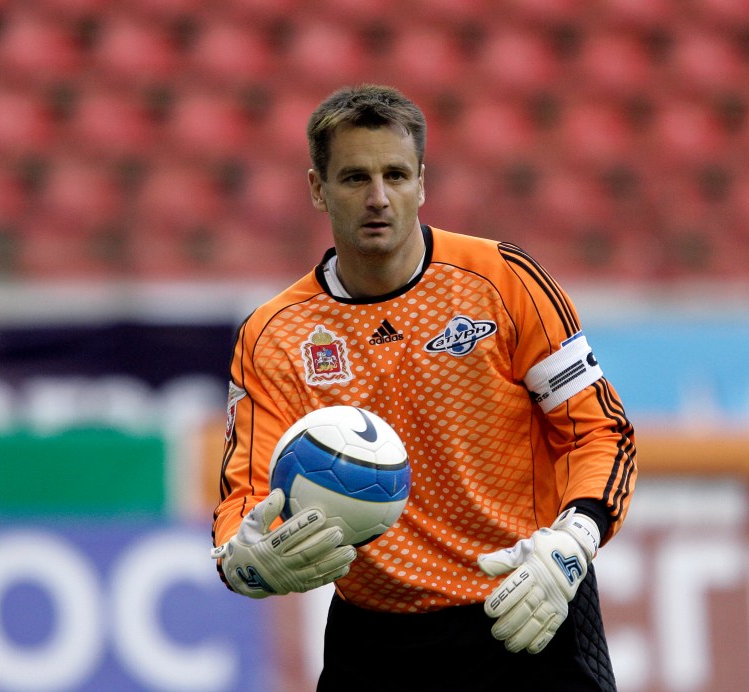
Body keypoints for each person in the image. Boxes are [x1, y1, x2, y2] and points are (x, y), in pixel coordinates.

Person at [210, 84, 636, 691]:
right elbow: (242, 496)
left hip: (526, 610)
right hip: (377, 642)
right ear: (316, 188)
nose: (379, 198)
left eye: (397, 175)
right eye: (355, 178)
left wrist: (575, 539)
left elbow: (601, 432)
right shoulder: (274, 334)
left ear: (423, 182)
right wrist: (245, 559)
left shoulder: (504, 282)